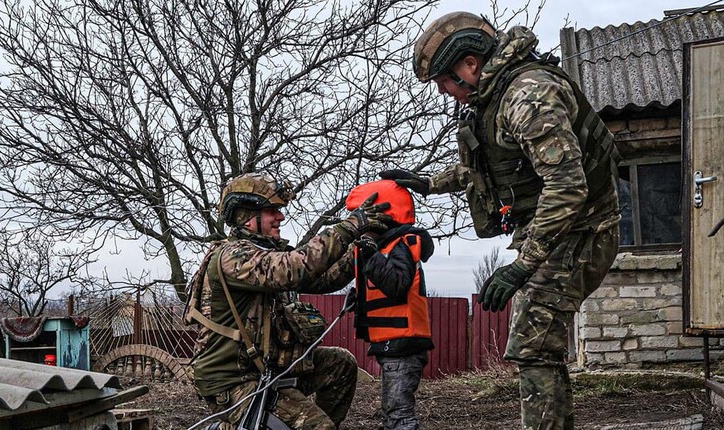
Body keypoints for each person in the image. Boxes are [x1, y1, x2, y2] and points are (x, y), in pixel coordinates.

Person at [381, 12, 621, 429]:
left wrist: (523, 265)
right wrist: (428, 183)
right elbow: (489, 169)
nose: (444, 90)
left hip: (585, 228)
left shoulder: (527, 96)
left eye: (444, 79)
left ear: (470, 65)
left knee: (531, 343)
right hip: (561, 231)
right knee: (536, 345)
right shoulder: (494, 100)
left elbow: (567, 186)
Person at [186, 172, 394, 430]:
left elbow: (324, 278)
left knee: (340, 364)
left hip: (268, 369)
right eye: (273, 210)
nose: (280, 217)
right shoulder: (233, 256)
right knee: (318, 427)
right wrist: (350, 226)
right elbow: (297, 266)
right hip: (232, 381)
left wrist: (362, 246)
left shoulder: (265, 253)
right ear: (248, 217)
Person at [346, 180, 434, 430]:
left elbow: (397, 284)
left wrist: (370, 255)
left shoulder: (402, 244)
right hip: (393, 344)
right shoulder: (385, 248)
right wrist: (358, 296)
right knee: (392, 413)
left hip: (404, 344)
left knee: (399, 416)